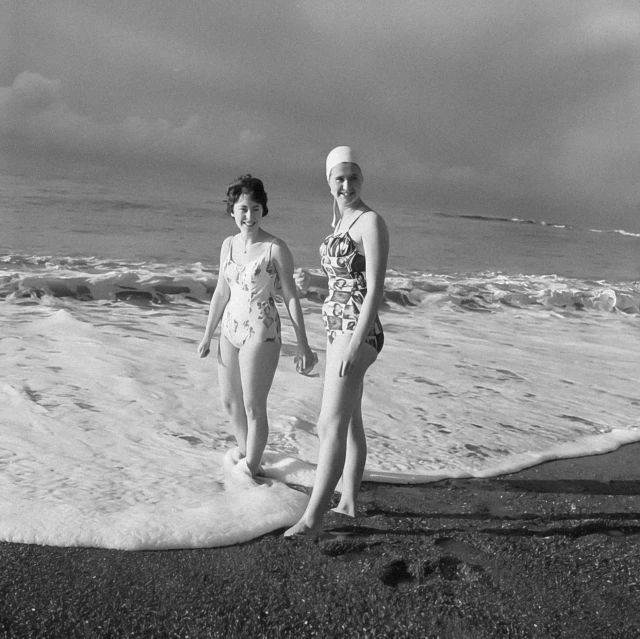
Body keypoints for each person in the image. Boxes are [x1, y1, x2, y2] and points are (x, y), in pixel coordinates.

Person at [285, 146, 389, 537]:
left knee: (328, 424)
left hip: (358, 333)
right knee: (349, 422)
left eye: (353, 178)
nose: (346, 185)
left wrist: (355, 341)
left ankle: (313, 518)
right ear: (329, 182)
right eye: (339, 179)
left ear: (361, 180)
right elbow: (345, 280)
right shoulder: (339, 224)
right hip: (338, 329)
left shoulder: (369, 222)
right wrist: (311, 284)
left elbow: (376, 286)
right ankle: (348, 500)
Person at [198, 174, 317, 479]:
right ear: (232, 211)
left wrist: (303, 343)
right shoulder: (228, 245)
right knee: (230, 402)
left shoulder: (275, 248)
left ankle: (249, 471)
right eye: (242, 209)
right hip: (230, 329)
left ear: (263, 210)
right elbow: (221, 292)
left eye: (255, 209)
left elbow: (290, 296)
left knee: (253, 405)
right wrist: (207, 334)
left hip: (261, 331)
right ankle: (252, 459)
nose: (248, 216)